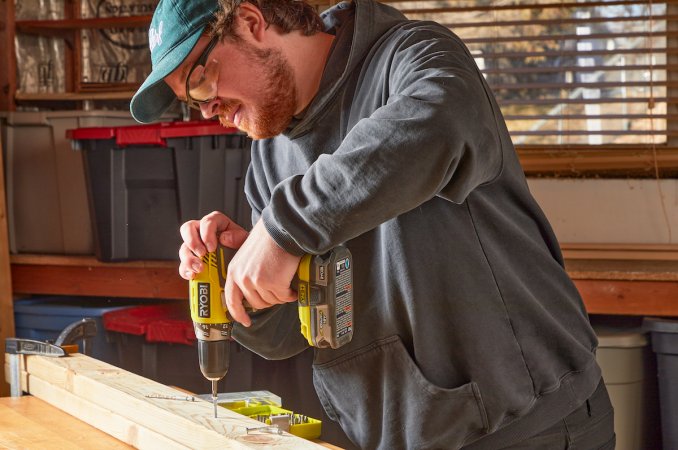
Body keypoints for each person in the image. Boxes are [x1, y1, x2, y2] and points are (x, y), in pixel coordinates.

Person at [130, 0, 616, 448]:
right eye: (192, 102)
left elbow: (442, 123)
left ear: (251, 24)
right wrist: (244, 276)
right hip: (396, 437)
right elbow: (287, 336)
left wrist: (282, 230)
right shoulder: (269, 153)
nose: (207, 109)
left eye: (200, 82)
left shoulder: (415, 56)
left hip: (529, 429)